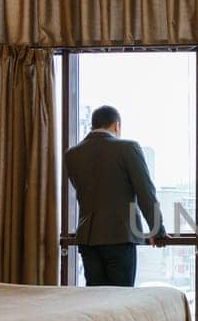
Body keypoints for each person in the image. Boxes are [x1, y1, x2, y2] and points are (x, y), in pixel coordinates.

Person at [64, 105, 168, 287]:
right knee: (121, 298)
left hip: (87, 238)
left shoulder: (72, 154)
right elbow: (145, 192)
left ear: (93, 125)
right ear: (116, 126)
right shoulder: (127, 148)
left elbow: (82, 192)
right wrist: (156, 230)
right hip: (119, 236)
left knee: (96, 298)